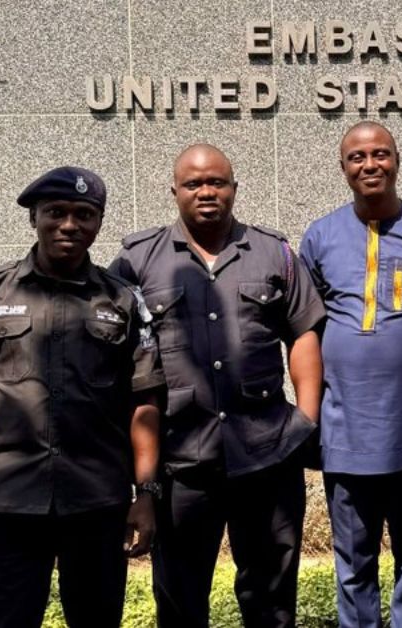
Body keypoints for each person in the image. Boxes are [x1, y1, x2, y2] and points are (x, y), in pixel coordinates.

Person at [0, 167, 164, 628]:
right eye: (56, 212)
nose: (70, 225)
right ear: (34, 217)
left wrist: (146, 494)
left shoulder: (122, 300)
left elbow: (145, 404)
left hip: (97, 504)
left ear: (98, 222)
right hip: (8, 504)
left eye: (85, 214)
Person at [109, 144, 326, 628]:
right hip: (180, 463)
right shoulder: (136, 262)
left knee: (271, 600)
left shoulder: (275, 252)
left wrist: (307, 418)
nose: (206, 192)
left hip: (267, 455)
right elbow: (114, 352)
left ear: (233, 188)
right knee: (181, 600)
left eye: (217, 182)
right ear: (174, 191)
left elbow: (304, 334)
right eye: (194, 184)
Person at [299, 121, 402, 627]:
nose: (370, 165)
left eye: (380, 154)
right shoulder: (319, 237)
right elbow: (306, 330)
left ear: (397, 160)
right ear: (343, 168)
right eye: (357, 157)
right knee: (354, 569)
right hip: (346, 435)